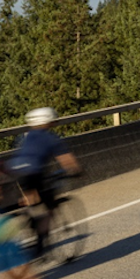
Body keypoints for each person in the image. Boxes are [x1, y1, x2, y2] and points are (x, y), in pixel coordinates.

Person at [7, 108, 83, 260]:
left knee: (32, 203)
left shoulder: (24, 136)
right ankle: (40, 244)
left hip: (16, 171)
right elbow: (67, 161)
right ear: (49, 120)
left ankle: (28, 221)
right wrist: (76, 171)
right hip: (35, 172)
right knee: (48, 207)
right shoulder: (50, 138)